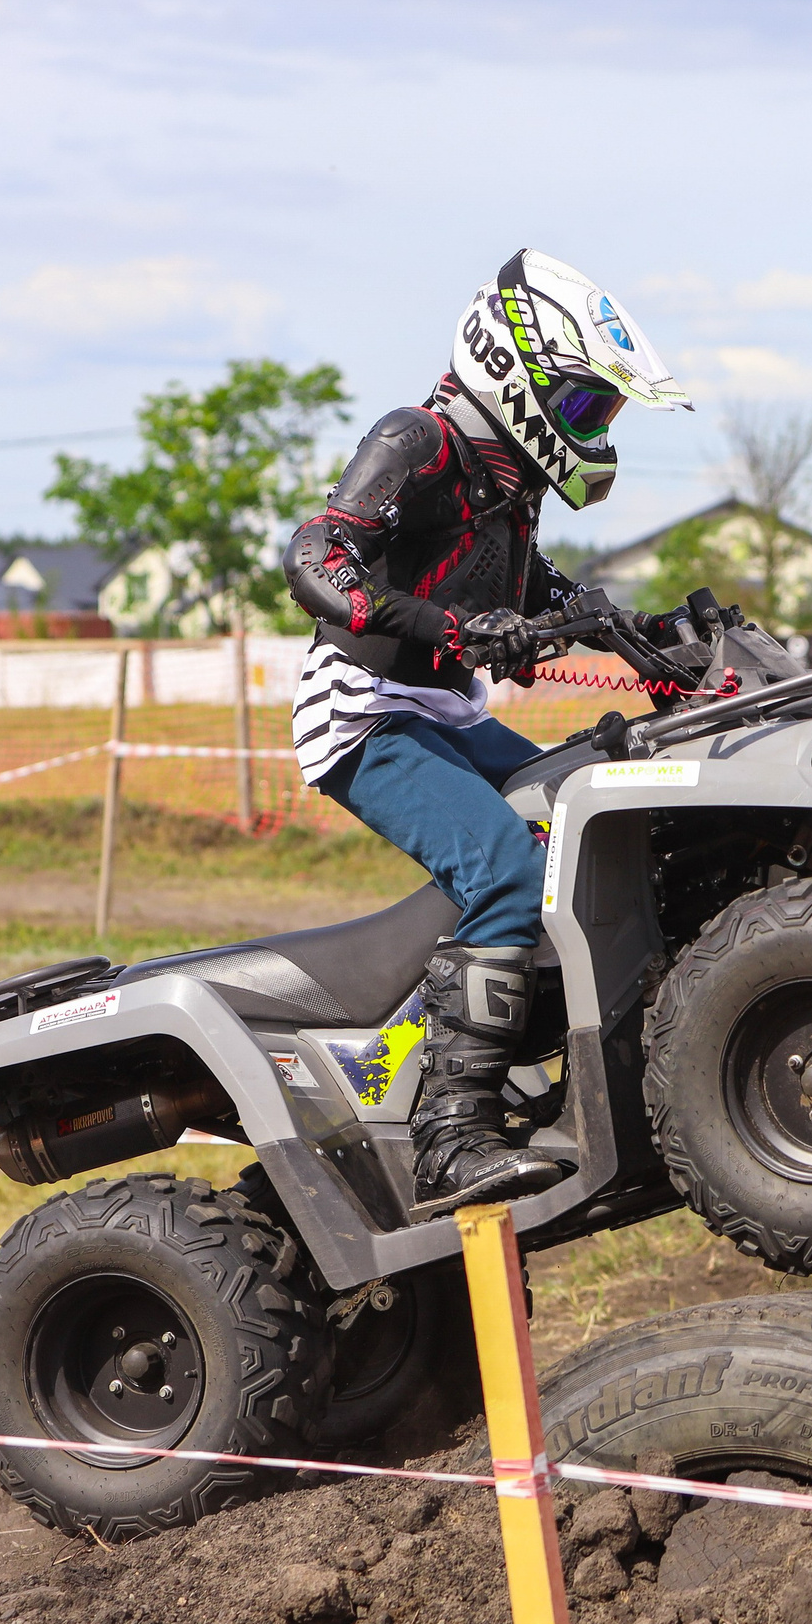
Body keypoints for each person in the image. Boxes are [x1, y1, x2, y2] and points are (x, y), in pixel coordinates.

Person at [282, 249, 692, 1213]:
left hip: (446, 712)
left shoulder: (507, 477)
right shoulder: (417, 439)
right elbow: (317, 554)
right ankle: (449, 1140)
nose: (592, 432)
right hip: (366, 717)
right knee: (508, 869)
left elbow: (527, 582)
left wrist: (650, 639)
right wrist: (449, 630)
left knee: (588, 804)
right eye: (587, 407)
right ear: (515, 368)